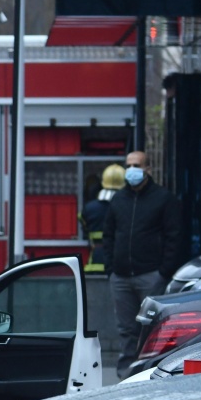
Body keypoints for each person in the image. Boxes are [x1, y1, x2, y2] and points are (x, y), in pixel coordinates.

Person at [102, 151, 183, 379]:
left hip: (150, 274)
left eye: (136, 165)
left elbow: (174, 237)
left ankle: (149, 372)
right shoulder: (118, 199)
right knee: (126, 329)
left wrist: (163, 271)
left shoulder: (163, 198)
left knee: (152, 328)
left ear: (148, 169)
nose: (131, 170)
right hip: (121, 277)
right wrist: (111, 268)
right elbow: (108, 235)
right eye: (128, 165)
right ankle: (126, 374)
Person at [80, 164, 126, 270]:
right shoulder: (127, 207)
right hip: (120, 262)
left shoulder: (88, 208)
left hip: (95, 261)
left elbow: (85, 230)